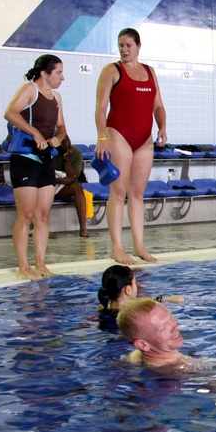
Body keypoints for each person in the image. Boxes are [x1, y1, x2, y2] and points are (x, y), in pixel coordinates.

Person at [95, 28, 167, 265]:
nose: (124, 50)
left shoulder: (149, 72)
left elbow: (158, 106)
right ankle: (117, 247)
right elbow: (101, 107)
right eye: (120, 46)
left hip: (144, 139)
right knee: (118, 192)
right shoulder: (112, 70)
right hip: (118, 135)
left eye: (128, 45)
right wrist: (101, 137)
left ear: (138, 46)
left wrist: (162, 127)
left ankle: (139, 246)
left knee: (137, 194)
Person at [4, 54, 68, 281]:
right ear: (44, 73)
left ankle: (40, 263)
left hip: (45, 160)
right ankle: (23, 265)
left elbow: (61, 127)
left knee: (43, 214)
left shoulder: (57, 97)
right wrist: (35, 132)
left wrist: (58, 138)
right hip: (25, 158)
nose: (62, 77)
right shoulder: (30, 89)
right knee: (26, 215)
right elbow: (10, 113)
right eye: (58, 72)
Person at [118, 298, 194, 370]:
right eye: (163, 328)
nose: (176, 327)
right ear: (143, 345)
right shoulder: (182, 370)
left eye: (171, 317)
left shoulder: (134, 357)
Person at [98, 264, 184, 317]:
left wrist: (163, 299)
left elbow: (138, 301)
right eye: (135, 283)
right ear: (128, 290)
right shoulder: (135, 312)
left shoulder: (102, 307)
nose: (136, 286)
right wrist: (168, 300)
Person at [52, 134, 90, 238]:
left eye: (68, 140)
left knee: (77, 186)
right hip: (49, 184)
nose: (67, 144)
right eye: (63, 142)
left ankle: (83, 228)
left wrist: (66, 160)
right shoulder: (50, 152)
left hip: (63, 187)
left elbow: (74, 176)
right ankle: (45, 230)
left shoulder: (76, 153)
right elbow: (42, 176)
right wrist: (60, 180)